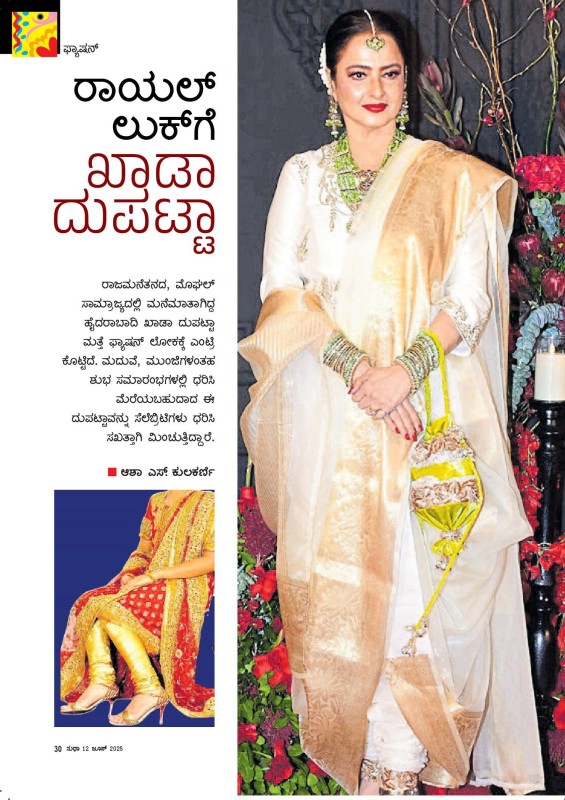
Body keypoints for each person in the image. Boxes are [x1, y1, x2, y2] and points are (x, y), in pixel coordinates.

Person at [239, 8, 544, 795]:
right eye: (356, 73)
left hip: (426, 413)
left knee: (417, 598)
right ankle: (361, 766)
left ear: (407, 81)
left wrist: (403, 374)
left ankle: (397, 771)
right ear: (329, 80)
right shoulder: (303, 177)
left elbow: (468, 298)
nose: (374, 89)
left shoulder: (448, 177)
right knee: (345, 599)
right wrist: (359, 374)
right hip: (330, 416)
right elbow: (281, 291)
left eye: (389, 73)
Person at [60, 489, 214, 725]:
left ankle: (143, 687)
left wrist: (153, 576)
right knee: (89, 602)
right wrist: (131, 573)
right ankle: (105, 680)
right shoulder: (156, 500)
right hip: (148, 579)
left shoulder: (209, 501)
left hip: (186, 583)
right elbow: (143, 551)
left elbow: (213, 560)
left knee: (109, 610)